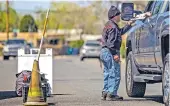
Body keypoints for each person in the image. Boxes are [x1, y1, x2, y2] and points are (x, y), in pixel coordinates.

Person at [100, 5, 135, 101]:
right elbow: (111, 43)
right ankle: (112, 94)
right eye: (119, 15)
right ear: (114, 16)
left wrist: (129, 24)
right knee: (115, 73)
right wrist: (115, 54)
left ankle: (105, 92)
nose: (120, 17)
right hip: (111, 52)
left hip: (104, 52)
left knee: (107, 73)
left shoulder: (109, 25)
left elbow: (120, 32)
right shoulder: (113, 28)